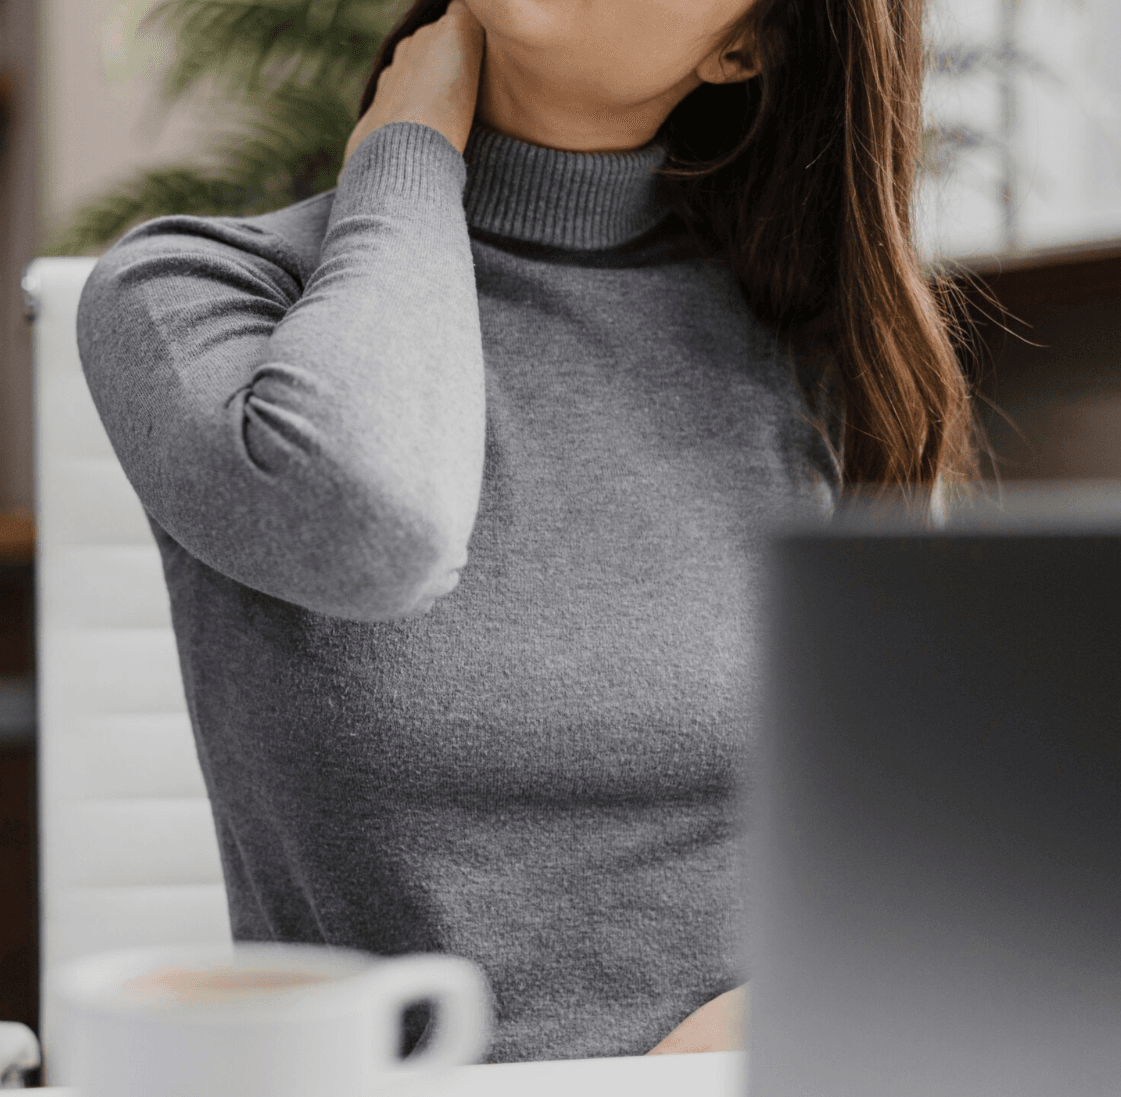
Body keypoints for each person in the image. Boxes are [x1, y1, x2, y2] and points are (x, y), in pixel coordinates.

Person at [76, 0, 980, 1064]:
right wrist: (408, 146)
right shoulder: (198, 292)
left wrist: (754, 1027)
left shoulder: (815, 357)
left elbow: (915, 838)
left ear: (747, 45)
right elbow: (368, 523)